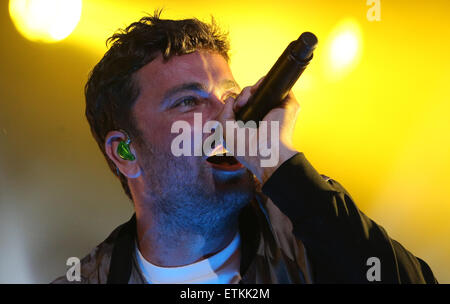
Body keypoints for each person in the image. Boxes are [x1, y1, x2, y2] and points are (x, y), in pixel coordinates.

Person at [52, 12, 437, 284]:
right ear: (125, 153)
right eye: (189, 101)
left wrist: (283, 166)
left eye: (229, 96)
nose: (227, 115)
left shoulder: (311, 239)